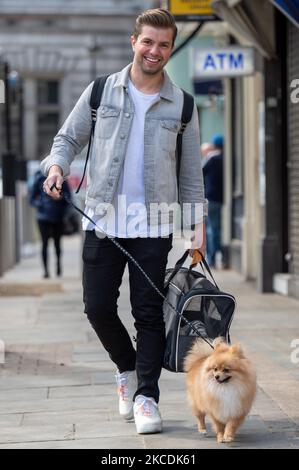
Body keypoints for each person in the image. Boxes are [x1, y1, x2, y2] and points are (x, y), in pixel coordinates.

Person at [41, 8, 207, 434]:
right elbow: (67, 138)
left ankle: (147, 397)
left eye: (164, 44)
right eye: (148, 41)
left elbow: (190, 174)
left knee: (148, 313)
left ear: (171, 48)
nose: (155, 51)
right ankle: (127, 369)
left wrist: (195, 226)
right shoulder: (101, 92)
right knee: (96, 307)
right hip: (102, 218)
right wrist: (56, 168)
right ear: (134, 42)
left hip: (153, 223)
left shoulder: (183, 105)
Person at [29, 170, 71, 278]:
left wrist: (60, 198)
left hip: (57, 216)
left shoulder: (61, 179)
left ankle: (58, 265)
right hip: (43, 218)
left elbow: (68, 197)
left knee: (57, 244)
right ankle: (46, 270)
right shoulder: (39, 179)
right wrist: (42, 204)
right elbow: (31, 199)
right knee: (44, 244)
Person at [202, 134, 224, 268]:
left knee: (212, 229)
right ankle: (222, 256)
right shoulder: (229, 158)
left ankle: (212, 258)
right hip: (223, 198)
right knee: (219, 229)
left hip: (212, 198)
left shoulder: (212, 158)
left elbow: (200, 173)